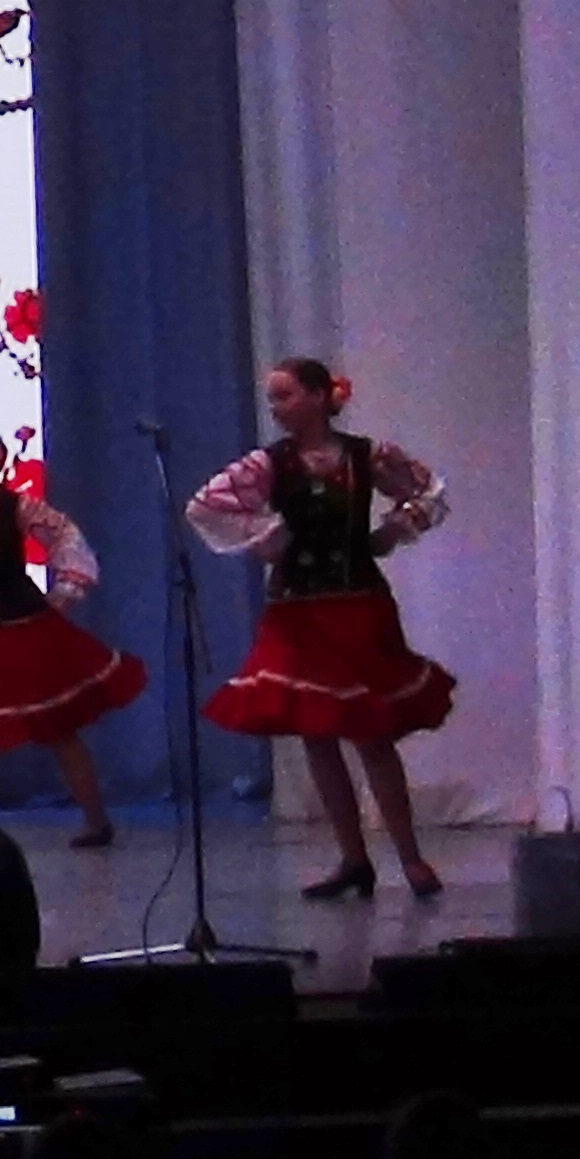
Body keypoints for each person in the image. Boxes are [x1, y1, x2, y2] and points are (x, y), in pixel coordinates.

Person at [187, 356, 454, 899]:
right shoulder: (271, 463)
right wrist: (268, 537)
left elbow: (428, 491)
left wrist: (392, 531)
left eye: (284, 395)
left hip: (358, 605)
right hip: (298, 610)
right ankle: (353, 859)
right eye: (272, 398)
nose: (276, 407)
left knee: (372, 734)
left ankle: (410, 856)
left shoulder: (364, 455)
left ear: (316, 396)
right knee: (317, 733)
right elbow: (206, 506)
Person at [0, 432, 140, 848]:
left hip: (26, 629)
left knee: (58, 726)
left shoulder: (12, 506)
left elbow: (65, 536)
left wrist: (66, 591)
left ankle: (96, 822)